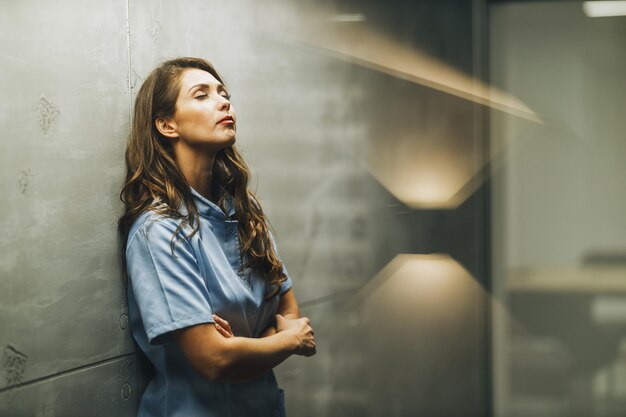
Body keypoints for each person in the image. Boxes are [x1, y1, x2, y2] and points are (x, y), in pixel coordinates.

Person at [117, 57, 316, 417]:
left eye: (223, 93)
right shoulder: (158, 230)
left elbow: (290, 309)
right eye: (202, 95)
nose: (224, 102)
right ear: (166, 124)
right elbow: (215, 359)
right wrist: (287, 340)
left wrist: (240, 346)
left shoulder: (245, 213)